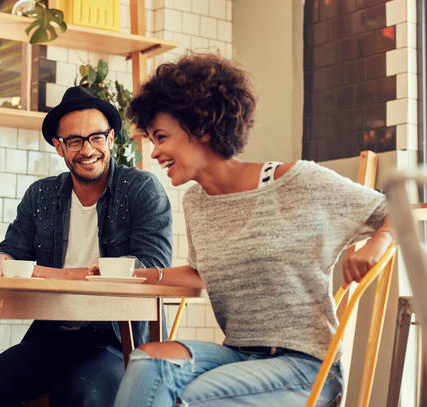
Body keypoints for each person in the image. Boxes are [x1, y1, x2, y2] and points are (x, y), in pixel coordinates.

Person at [112, 53, 394, 407]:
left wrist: (378, 243)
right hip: (237, 356)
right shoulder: (197, 202)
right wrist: (135, 276)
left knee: (194, 397)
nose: (155, 153)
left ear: (201, 127)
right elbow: (201, 274)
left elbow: (397, 208)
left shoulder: (298, 182)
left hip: (306, 366)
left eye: (161, 137)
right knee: (148, 362)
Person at [0, 86, 174, 407]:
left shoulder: (140, 188)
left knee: (81, 394)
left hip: (117, 339)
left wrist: (55, 274)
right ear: (59, 147)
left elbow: (152, 265)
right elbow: (11, 253)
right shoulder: (41, 195)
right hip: (52, 335)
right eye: (74, 141)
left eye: (96, 137)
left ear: (111, 139)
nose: (87, 150)